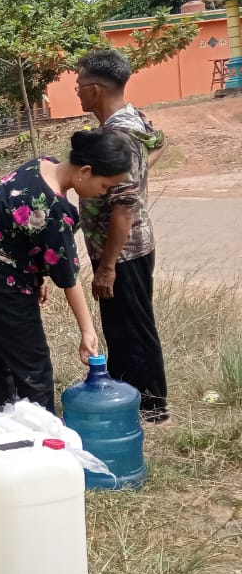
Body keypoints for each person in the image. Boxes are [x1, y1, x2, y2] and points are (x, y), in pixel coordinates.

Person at [0, 130, 132, 416]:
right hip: (0, 285)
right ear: (84, 172)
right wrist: (87, 331)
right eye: (104, 186)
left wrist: (35, 276)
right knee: (33, 370)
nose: (104, 193)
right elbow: (68, 279)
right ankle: (42, 439)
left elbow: (19, 235)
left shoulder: (42, 164)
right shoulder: (54, 210)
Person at [75, 49, 169, 423]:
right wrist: (139, 174)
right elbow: (161, 142)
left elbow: (125, 207)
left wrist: (108, 266)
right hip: (124, 246)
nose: (77, 92)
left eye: (80, 86)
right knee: (122, 325)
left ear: (96, 90)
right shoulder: (133, 119)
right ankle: (126, 392)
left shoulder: (119, 133)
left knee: (133, 327)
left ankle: (151, 407)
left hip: (123, 250)